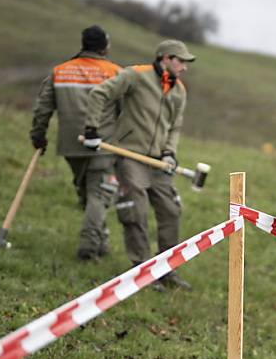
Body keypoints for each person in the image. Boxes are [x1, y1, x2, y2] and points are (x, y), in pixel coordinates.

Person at [82, 39, 196, 290]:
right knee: (136, 210)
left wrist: (169, 152)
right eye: (181, 61)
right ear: (165, 58)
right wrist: (91, 128)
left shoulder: (179, 90)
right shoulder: (135, 75)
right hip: (129, 156)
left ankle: (167, 270)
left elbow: (174, 126)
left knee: (171, 210)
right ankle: (141, 272)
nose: (185, 67)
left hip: (159, 162)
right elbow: (99, 93)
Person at [30, 25, 121, 261]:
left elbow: (43, 107)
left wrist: (38, 135)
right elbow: (125, 110)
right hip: (104, 144)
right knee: (98, 195)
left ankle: (101, 241)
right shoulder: (115, 73)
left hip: (70, 145)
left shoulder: (60, 71)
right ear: (104, 46)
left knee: (88, 193)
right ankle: (89, 248)